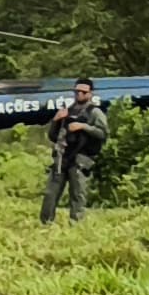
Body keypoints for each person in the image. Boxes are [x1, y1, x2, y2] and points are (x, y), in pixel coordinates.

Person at [43, 78, 108, 224]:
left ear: (90, 94)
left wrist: (83, 127)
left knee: (77, 193)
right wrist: (56, 120)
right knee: (50, 193)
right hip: (62, 157)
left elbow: (103, 133)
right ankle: (46, 223)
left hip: (81, 158)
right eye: (77, 91)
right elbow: (53, 136)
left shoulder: (95, 112)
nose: (79, 94)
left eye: (83, 92)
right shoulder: (67, 111)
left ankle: (76, 223)